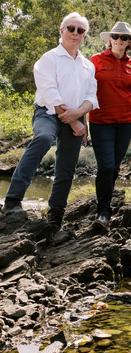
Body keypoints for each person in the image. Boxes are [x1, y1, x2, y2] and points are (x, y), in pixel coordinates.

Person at [1, 12, 98, 232]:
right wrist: (74, 122)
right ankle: (13, 200)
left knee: (67, 165)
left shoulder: (88, 65)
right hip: (48, 113)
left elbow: (91, 97)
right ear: (61, 30)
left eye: (80, 30)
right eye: (71, 28)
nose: (75, 33)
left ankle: (55, 216)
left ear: (84, 35)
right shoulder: (48, 59)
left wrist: (80, 117)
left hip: (76, 115)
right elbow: (50, 93)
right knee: (44, 138)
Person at [89, 21, 131, 227]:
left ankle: (105, 202)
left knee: (114, 167)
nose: (119, 40)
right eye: (116, 36)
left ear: (129, 42)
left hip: (127, 122)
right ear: (109, 39)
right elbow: (84, 91)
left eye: (124, 38)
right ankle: (103, 212)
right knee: (106, 166)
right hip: (100, 121)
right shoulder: (94, 61)